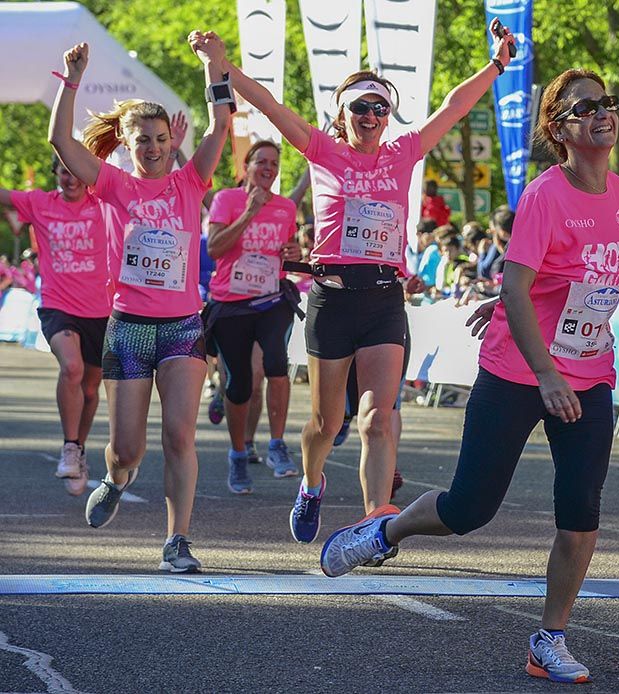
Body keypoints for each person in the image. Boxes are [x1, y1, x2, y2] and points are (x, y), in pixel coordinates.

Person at [318, 68, 619, 685]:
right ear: (558, 129)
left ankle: (550, 639)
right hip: (520, 369)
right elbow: (517, 280)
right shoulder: (545, 194)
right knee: (469, 508)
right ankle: (386, 528)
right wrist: (541, 363)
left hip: (589, 371)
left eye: (607, 103)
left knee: (581, 515)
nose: (602, 113)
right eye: (583, 107)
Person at [218, 19, 516, 544]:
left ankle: (375, 525)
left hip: (382, 299)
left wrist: (495, 65)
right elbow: (269, 104)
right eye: (361, 107)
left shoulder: (402, 153)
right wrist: (223, 66)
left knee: (378, 419)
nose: (372, 116)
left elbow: (453, 108)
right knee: (326, 424)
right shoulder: (322, 150)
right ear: (343, 114)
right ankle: (312, 483)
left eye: (381, 107)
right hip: (332, 300)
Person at [49, 33, 231, 572]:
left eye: (159, 138)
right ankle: (115, 476)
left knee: (179, 435)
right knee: (128, 448)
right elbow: (60, 140)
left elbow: (221, 125)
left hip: (182, 328)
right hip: (128, 328)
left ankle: (178, 541)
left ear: (171, 142)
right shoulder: (111, 185)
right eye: (142, 139)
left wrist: (213, 66)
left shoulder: (191, 182)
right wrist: (72, 81)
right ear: (126, 144)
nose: (152, 147)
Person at [1, 155, 111, 496]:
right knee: (72, 368)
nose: (71, 178)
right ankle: (69, 446)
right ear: (56, 173)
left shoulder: (103, 203)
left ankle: (78, 448)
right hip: (58, 306)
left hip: (100, 310)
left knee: (90, 390)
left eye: (76, 171)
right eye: (64, 171)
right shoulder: (39, 203)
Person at [204, 140, 304, 494]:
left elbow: (287, 250)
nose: (268, 168)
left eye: (274, 163)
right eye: (261, 161)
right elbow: (214, 248)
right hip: (231, 304)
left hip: (271, 298)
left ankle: (277, 444)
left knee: (276, 362)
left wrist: (294, 252)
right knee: (240, 384)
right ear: (246, 166)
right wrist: (248, 213)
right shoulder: (226, 200)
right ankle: (237, 454)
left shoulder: (285, 207)